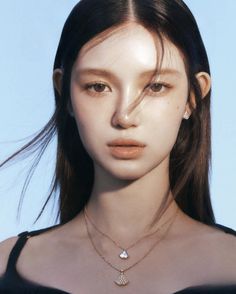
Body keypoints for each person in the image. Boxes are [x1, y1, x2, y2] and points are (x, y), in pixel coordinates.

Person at [0, 0, 235, 293]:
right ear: (65, 94)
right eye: (98, 87)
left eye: (155, 86)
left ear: (193, 97)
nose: (124, 116)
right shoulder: (6, 266)